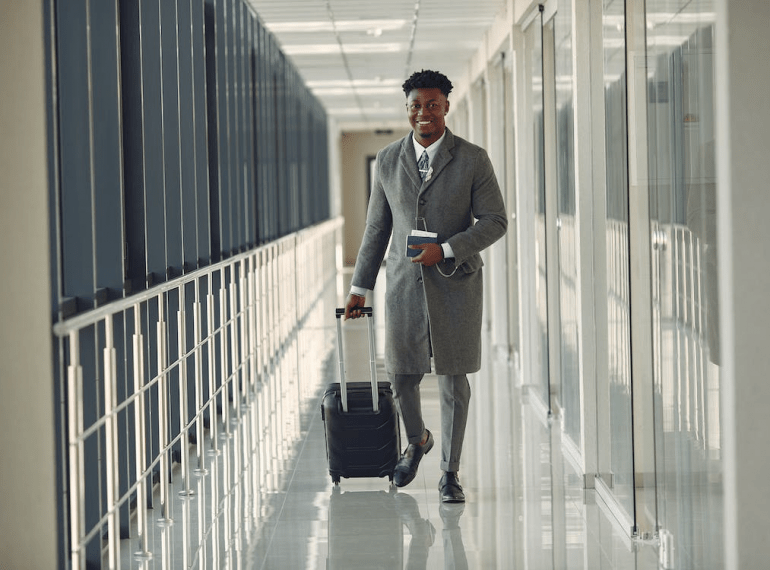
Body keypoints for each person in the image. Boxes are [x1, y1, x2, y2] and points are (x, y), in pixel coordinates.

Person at [344, 69, 507, 503]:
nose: (423, 113)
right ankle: (417, 441)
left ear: (446, 106)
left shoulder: (473, 159)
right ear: (408, 109)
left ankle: (450, 473)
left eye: (432, 104)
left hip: (456, 286)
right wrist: (360, 287)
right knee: (402, 376)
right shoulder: (387, 160)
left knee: (455, 382)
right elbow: (377, 228)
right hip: (403, 286)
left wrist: (449, 249)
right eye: (416, 105)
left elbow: (495, 221)